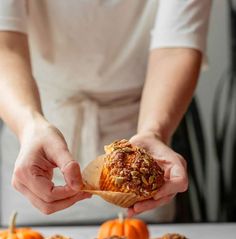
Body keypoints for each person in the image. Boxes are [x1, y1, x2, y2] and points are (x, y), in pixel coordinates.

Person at [0, 0, 212, 225]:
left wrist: (154, 132)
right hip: (35, 135)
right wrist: (30, 127)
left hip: (140, 137)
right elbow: (5, 46)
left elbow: (176, 48)